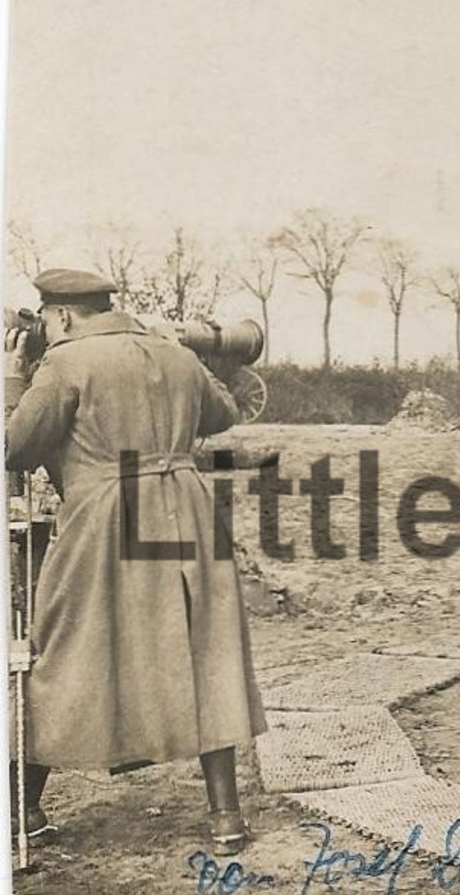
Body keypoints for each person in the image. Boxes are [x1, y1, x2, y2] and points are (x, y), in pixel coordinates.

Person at [4, 268, 265, 854]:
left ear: (63, 315)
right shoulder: (171, 354)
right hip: (188, 510)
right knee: (203, 651)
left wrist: (11, 375)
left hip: (103, 518)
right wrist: (182, 360)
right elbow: (222, 415)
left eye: (46, 317)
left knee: (68, 651)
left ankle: (22, 809)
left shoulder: (65, 365)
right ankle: (226, 818)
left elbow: (13, 449)